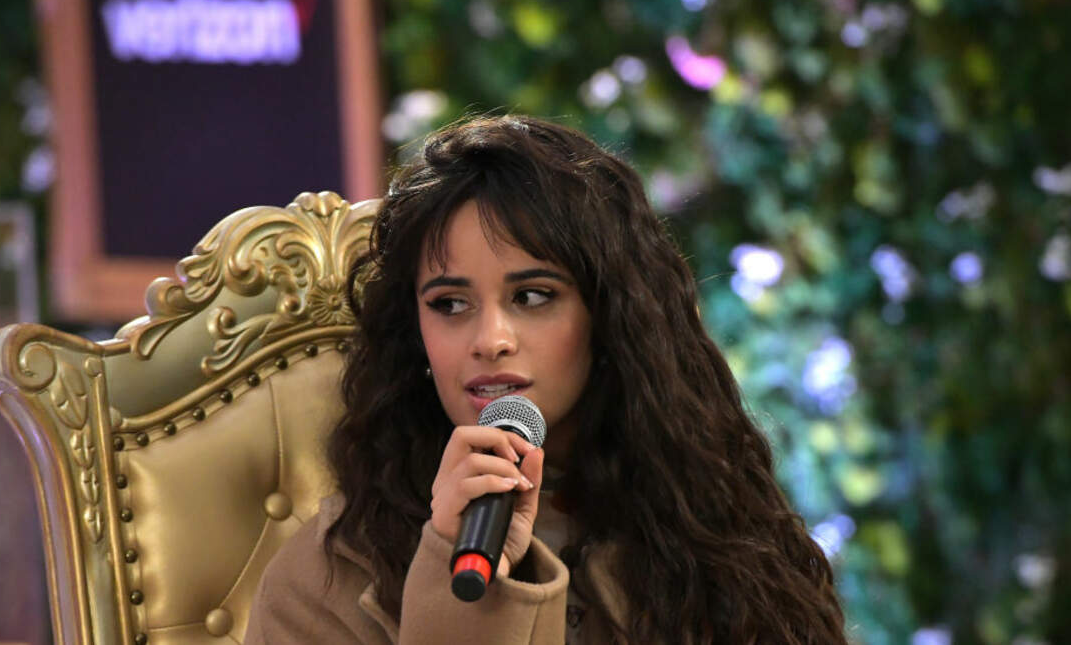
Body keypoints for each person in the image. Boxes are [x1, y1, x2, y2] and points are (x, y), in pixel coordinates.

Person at [245, 116, 846, 643]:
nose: (491, 339)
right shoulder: (328, 577)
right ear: (414, 334)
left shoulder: (715, 525)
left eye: (532, 296)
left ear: (608, 316)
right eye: (450, 304)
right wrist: (452, 562)